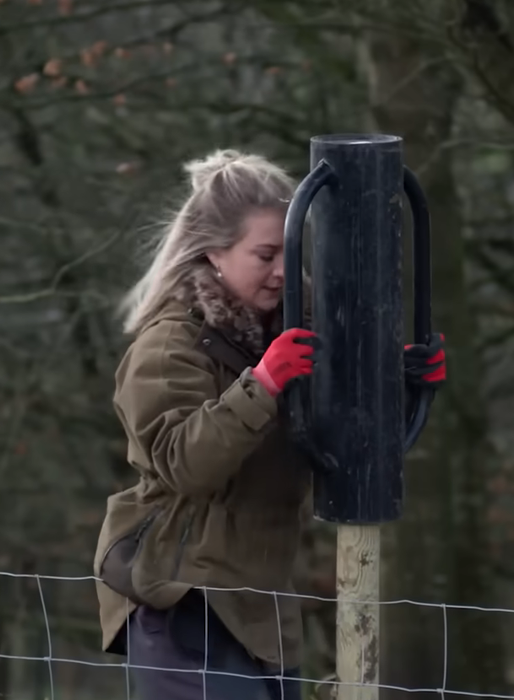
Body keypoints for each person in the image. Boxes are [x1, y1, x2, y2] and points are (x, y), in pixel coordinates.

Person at [94, 148, 447, 700]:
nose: (282, 270)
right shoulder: (168, 344)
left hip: (264, 609)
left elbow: (334, 442)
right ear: (213, 252)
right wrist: (262, 384)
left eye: (288, 250)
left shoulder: (292, 333)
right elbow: (184, 464)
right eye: (264, 254)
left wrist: (401, 383)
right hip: (182, 597)